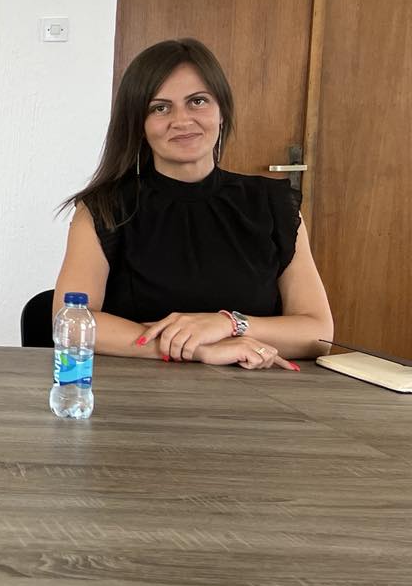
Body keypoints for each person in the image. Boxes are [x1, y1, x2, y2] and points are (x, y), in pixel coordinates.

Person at [52, 37, 332, 369]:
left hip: (255, 393)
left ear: (222, 111)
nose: (182, 120)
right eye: (160, 108)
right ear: (139, 125)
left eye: (197, 101)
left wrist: (228, 324)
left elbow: (318, 333)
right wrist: (197, 349)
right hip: (136, 393)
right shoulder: (103, 208)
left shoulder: (273, 205)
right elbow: (71, 321)